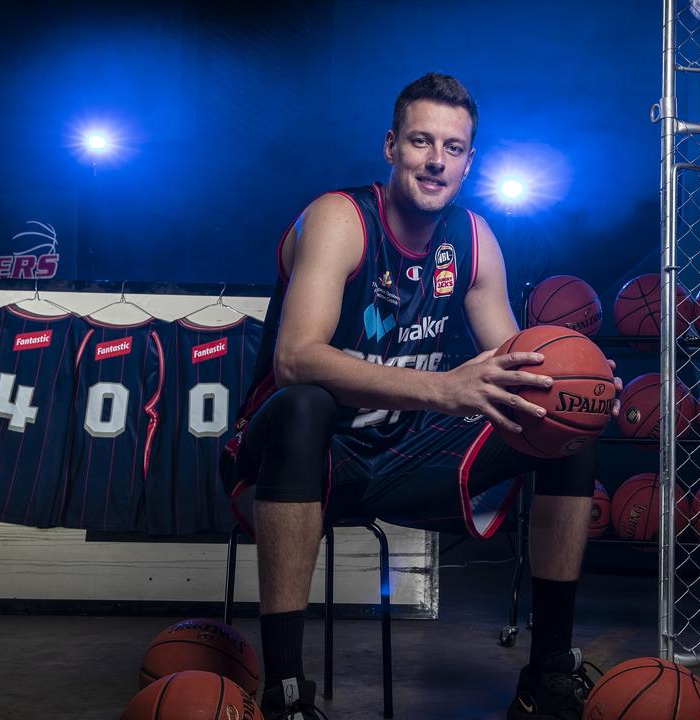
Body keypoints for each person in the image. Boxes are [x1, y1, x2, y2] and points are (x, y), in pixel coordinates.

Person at [231, 72, 620, 720]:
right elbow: (296, 358)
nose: (436, 160)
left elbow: (514, 361)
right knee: (306, 404)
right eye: (421, 141)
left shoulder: (472, 240)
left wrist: (574, 374)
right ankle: (286, 693)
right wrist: (441, 389)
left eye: (454, 147)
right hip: (300, 457)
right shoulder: (340, 219)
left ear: (470, 160)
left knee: (562, 423)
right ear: (390, 146)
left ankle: (548, 672)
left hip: (404, 455)